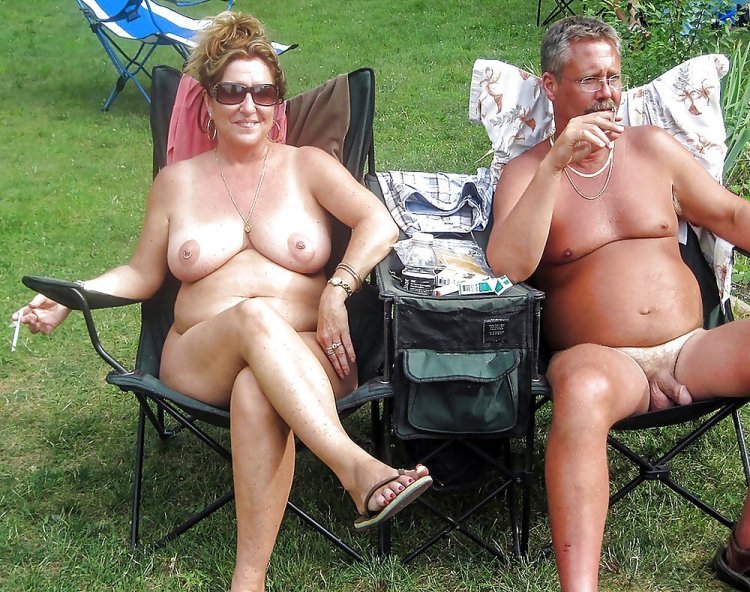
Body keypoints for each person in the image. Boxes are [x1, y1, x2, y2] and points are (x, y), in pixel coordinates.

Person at [11, 11, 431, 592]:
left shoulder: (308, 166)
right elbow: (141, 273)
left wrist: (339, 288)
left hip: (310, 352)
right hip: (198, 355)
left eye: (264, 92)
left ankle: (248, 579)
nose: (249, 105)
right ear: (208, 100)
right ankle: (355, 467)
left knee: (257, 387)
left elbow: (379, 222)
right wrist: (73, 296)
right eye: (232, 91)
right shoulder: (177, 182)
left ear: (278, 101)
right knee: (254, 315)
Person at [486, 14, 750, 592]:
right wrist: (554, 165)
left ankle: (745, 550)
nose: (606, 93)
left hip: (692, 350)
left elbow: (731, 214)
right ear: (550, 85)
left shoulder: (651, 149)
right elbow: (507, 266)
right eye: (589, 79)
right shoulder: (526, 174)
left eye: (613, 78)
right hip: (600, 360)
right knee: (581, 390)